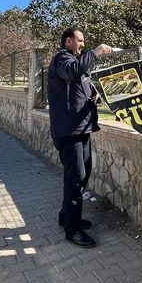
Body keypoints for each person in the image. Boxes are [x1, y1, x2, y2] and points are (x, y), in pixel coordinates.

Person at [47, 27, 112, 248]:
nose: (82, 44)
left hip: (81, 128)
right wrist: (95, 52)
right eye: (80, 40)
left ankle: (67, 216)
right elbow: (72, 72)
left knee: (83, 174)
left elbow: (80, 85)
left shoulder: (77, 65)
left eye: (83, 41)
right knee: (75, 178)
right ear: (68, 42)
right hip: (69, 131)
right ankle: (72, 230)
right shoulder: (62, 60)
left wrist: (94, 97)